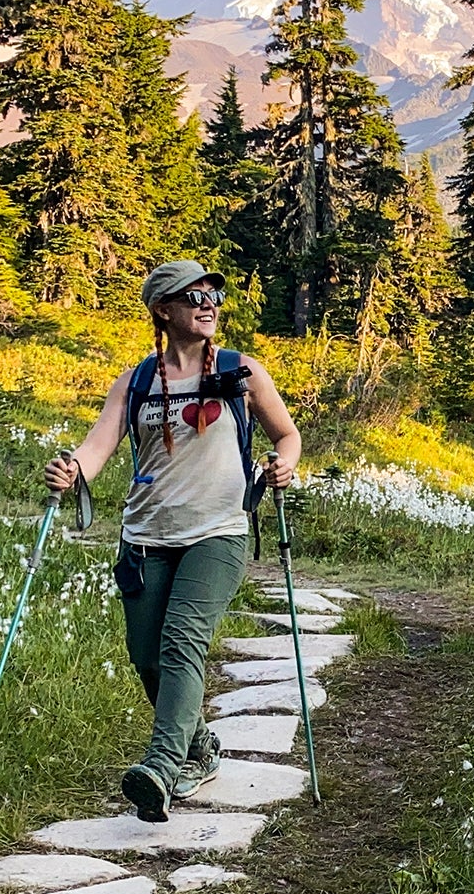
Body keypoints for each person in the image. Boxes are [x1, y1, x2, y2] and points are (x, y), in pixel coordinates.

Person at [44, 259, 300, 823]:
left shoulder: (242, 371)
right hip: (144, 537)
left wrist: (282, 465)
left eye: (213, 293)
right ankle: (198, 746)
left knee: (182, 641)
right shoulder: (136, 380)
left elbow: (287, 434)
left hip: (218, 532)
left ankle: (161, 768)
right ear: (164, 309)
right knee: (147, 657)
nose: (208, 303)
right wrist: (72, 471)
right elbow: (98, 446)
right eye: (193, 296)